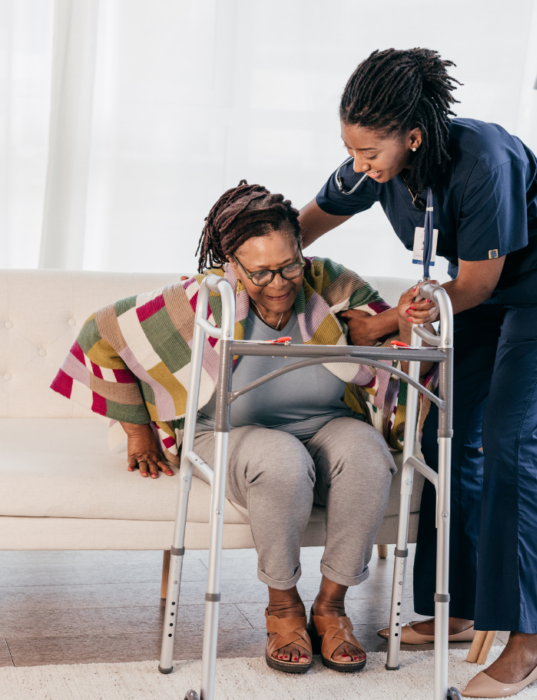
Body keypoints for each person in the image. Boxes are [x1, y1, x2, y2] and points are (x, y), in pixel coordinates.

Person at [299, 49, 537, 697]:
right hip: (478, 286)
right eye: (350, 150)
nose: (358, 164)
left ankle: (532, 638)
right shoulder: (375, 162)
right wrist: (248, 261)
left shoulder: (482, 160)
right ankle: (458, 608)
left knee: (511, 438)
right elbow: (306, 224)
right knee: (446, 430)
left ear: (412, 136)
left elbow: (475, 286)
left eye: (368, 153)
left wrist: (385, 323)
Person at [51, 183, 432, 676]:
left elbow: (390, 346)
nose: (279, 283)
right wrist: (138, 431)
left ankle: (331, 608)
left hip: (327, 423)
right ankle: (283, 608)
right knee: (281, 459)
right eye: (261, 273)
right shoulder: (206, 298)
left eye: (289, 266)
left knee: (369, 455)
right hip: (230, 431)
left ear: (302, 251)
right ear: (232, 262)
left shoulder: (329, 282)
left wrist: (403, 318)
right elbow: (100, 331)